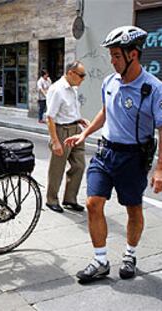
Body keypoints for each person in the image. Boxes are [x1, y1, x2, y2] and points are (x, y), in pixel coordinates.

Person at [65, 26, 162, 283]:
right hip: (106, 152)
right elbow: (106, 112)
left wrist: (160, 169)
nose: (112, 61)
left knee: (133, 209)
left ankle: (130, 255)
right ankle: (100, 261)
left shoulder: (154, 88)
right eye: (111, 55)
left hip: (133, 157)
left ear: (133, 55)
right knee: (92, 203)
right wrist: (84, 135)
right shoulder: (110, 82)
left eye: (117, 55)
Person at [45, 61, 89, 213]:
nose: (83, 79)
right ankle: (51, 199)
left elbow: (70, 109)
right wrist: (56, 141)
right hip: (62, 131)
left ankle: (70, 199)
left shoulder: (73, 89)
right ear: (71, 73)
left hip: (75, 129)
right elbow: (49, 117)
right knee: (57, 168)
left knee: (79, 165)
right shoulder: (57, 89)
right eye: (81, 75)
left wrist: (79, 119)